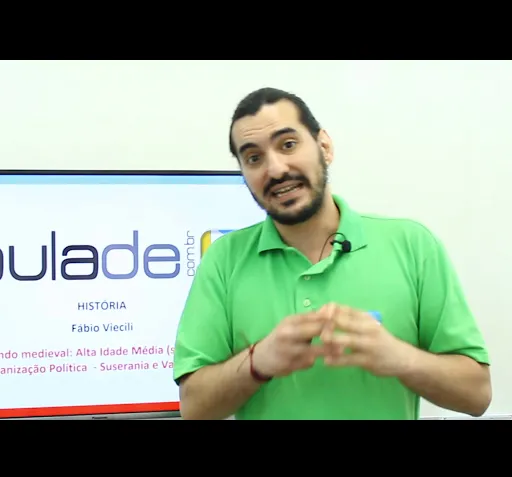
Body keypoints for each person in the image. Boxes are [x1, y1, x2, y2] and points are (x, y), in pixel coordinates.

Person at [172, 87, 492, 420]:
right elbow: (194, 408)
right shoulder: (223, 260)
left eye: (288, 144)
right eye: (254, 158)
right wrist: (258, 361)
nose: (276, 169)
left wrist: (400, 358)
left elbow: (477, 395)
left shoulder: (413, 245)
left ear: (324, 146)